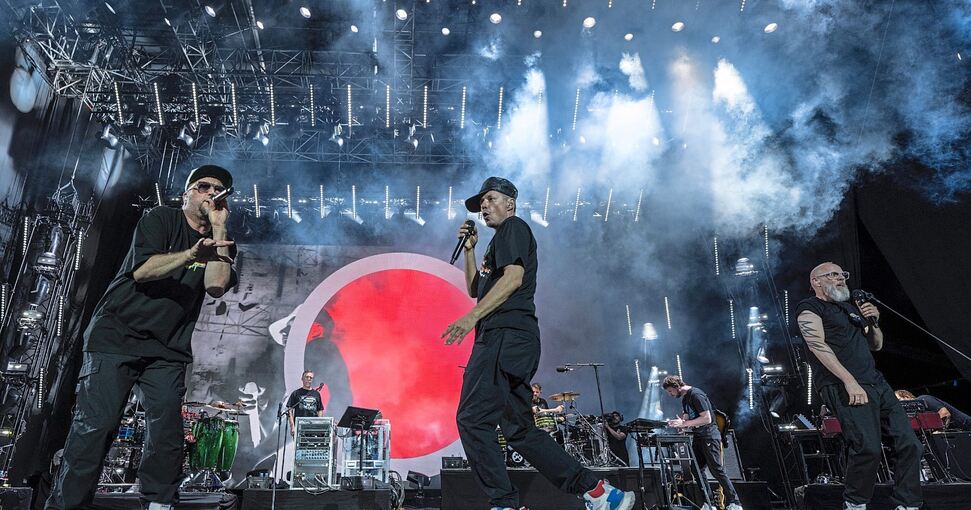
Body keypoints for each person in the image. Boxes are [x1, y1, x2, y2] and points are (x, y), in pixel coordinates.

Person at [46, 165, 237, 510]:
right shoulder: (161, 218)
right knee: (95, 428)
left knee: (167, 433)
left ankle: (159, 504)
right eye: (203, 186)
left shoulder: (221, 241)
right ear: (187, 193)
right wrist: (192, 254)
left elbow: (216, 284)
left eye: (218, 189)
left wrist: (220, 228)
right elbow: (144, 271)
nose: (211, 192)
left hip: (167, 348)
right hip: (116, 335)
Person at [442, 177, 634, 510]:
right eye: (481, 203)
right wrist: (470, 253)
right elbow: (477, 290)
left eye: (489, 199)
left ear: (509, 204)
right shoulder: (495, 244)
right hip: (514, 339)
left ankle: (504, 503)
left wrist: (471, 319)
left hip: (503, 334)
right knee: (519, 430)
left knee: (472, 419)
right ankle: (600, 492)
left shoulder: (513, 228)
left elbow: (514, 280)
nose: (483, 207)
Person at [796, 262, 921, 510]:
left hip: (876, 382)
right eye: (832, 275)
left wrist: (873, 322)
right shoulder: (810, 308)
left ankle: (908, 504)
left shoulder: (850, 309)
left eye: (842, 274)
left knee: (909, 443)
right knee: (868, 448)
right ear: (816, 282)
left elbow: (876, 345)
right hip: (842, 384)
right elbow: (817, 346)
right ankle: (855, 503)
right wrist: (849, 381)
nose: (840, 278)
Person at [663, 375, 742, 510]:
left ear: (677, 386)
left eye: (670, 391)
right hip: (699, 437)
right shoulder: (685, 399)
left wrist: (685, 423)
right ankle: (709, 503)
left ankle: (735, 502)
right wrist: (679, 425)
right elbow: (687, 420)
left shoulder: (696, 394)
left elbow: (706, 418)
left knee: (716, 469)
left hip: (709, 436)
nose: (670, 394)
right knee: (696, 469)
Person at [895, 389, 971, 431]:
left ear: (907, 396)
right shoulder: (916, 413)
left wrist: (938, 432)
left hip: (967, 426)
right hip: (961, 432)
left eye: (899, 400)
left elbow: (945, 414)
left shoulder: (923, 399)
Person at [287, 370, 324, 435]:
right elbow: (290, 410)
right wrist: (292, 426)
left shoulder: (316, 394)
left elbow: (320, 410)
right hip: (299, 427)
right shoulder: (296, 393)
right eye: (306, 377)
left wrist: (319, 424)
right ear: (302, 379)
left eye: (311, 378)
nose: (308, 379)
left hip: (313, 427)